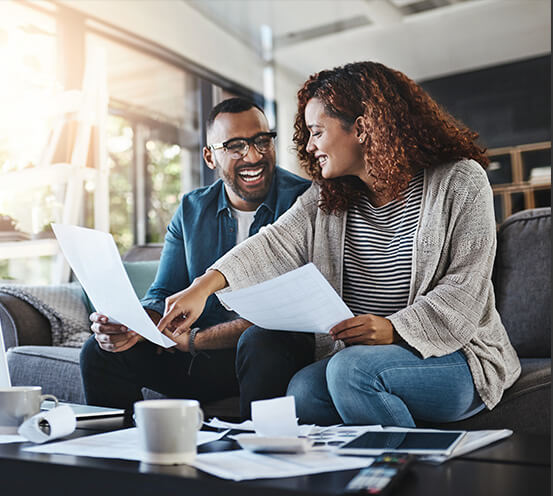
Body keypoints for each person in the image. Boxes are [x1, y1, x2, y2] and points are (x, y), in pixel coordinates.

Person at [156, 61, 522, 427]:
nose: (310, 146)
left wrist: (395, 329)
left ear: (361, 128)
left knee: (350, 371)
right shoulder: (327, 197)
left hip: (454, 356)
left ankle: (400, 477)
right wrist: (203, 287)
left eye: (317, 132)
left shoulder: (459, 181)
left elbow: (465, 289)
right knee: (302, 392)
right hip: (362, 358)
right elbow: (273, 244)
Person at [79, 97, 310, 410]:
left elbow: (287, 311)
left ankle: (259, 453)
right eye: (235, 146)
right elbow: (163, 291)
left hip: (267, 355)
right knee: (99, 350)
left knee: (261, 342)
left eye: (261, 141)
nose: (253, 155)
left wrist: (194, 340)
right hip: (199, 358)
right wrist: (133, 325)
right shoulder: (191, 209)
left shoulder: (303, 201)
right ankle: (120, 453)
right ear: (209, 157)